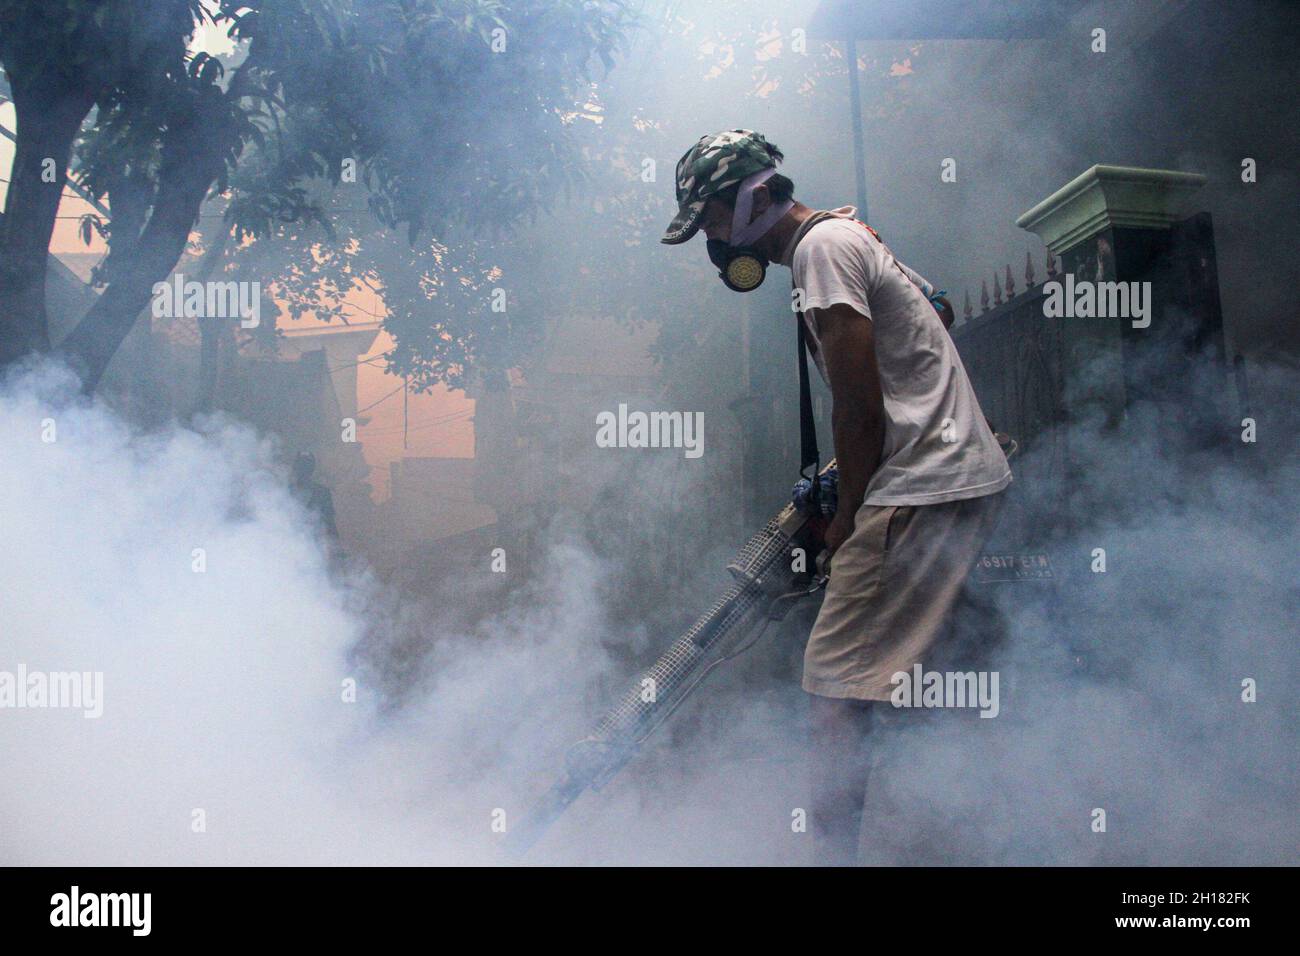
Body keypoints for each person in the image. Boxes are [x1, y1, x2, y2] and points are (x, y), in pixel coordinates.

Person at [662, 129, 1011, 864]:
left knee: (834, 688)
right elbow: (937, 309)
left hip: (917, 483)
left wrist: (848, 517)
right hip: (955, 473)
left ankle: (830, 856)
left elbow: (856, 406)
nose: (714, 243)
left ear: (753, 198)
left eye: (712, 222)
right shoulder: (847, 236)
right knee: (922, 666)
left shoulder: (822, 252)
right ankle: (973, 820)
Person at [290, 451, 339, 540]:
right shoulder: (285, 492)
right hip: (289, 544)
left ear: (312, 469)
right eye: (301, 466)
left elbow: (330, 525)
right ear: (295, 468)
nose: (304, 470)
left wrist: (337, 549)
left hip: (314, 546)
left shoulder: (323, 493)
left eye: (307, 466)